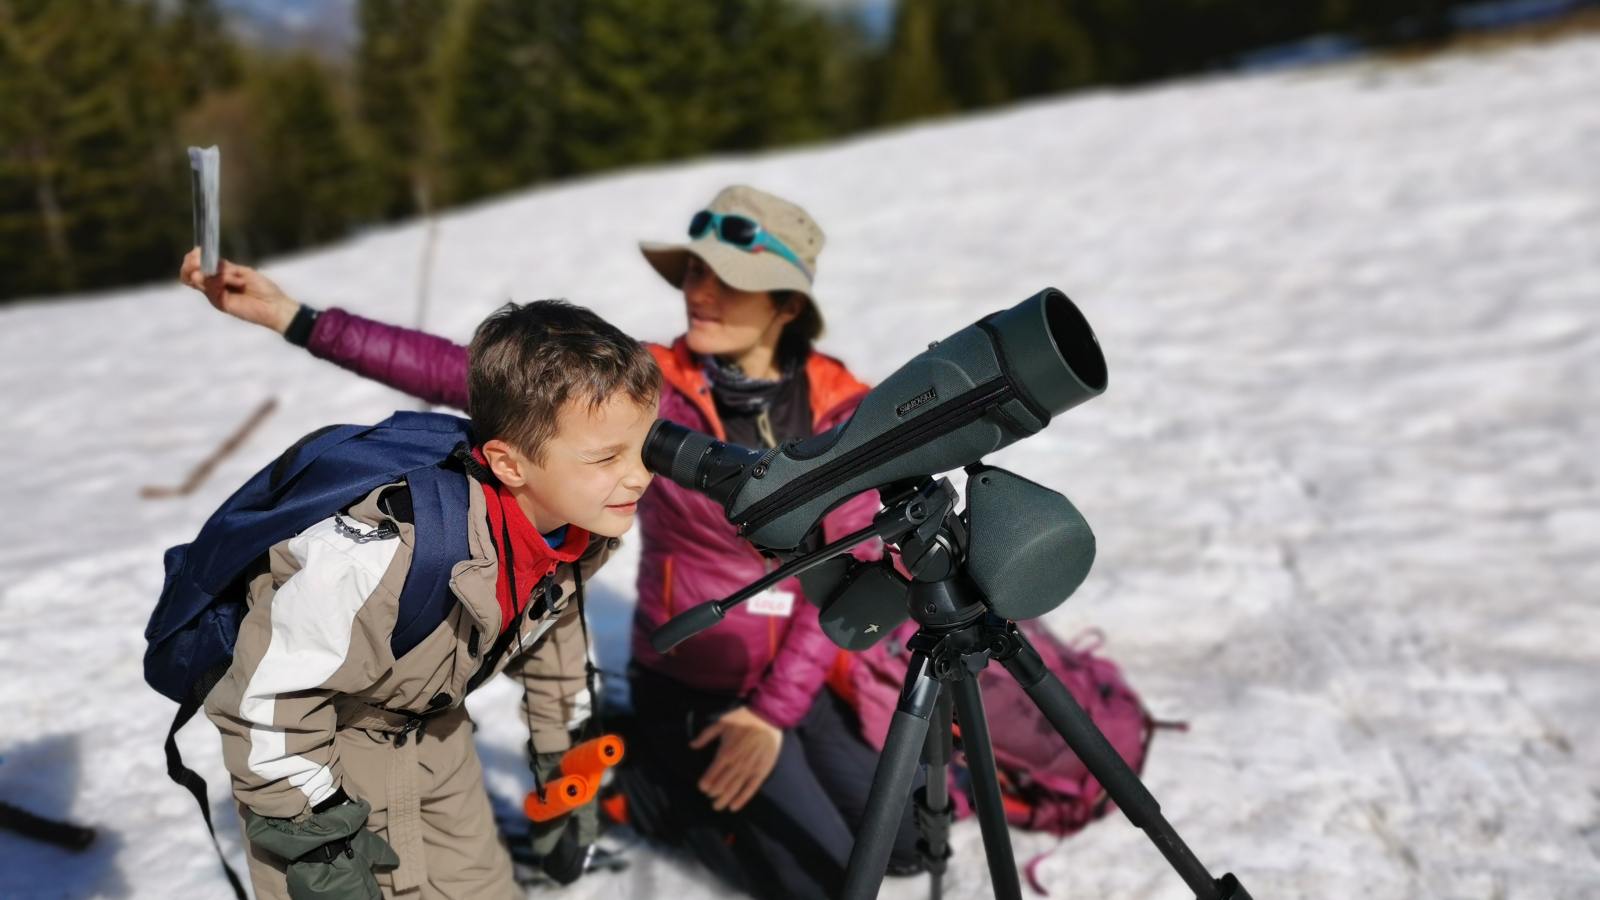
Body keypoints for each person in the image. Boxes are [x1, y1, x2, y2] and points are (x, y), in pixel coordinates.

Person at [180, 185, 924, 899]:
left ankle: (710, 765)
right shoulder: (642, 386)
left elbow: (854, 564)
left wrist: (772, 714)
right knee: (823, 879)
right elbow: (461, 371)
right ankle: (653, 781)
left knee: (906, 842)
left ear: (787, 305)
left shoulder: (837, 410)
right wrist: (296, 317)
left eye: (731, 279)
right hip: (691, 664)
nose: (700, 290)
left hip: (794, 676)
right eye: (694, 269)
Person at [197, 300, 661, 899]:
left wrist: (564, 767)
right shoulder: (382, 555)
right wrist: (318, 846)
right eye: (606, 458)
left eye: (643, 447)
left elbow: (554, 644)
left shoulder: (573, 534)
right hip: (318, 762)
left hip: (438, 743)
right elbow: (268, 700)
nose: (641, 476)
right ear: (508, 464)